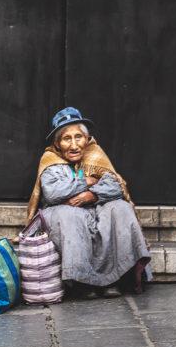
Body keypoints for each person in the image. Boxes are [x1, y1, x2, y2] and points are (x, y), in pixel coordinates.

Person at [26, 107, 151, 298]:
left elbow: (115, 187)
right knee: (71, 215)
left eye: (79, 137)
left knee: (120, 208)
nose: (74, 145)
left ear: (87, 139)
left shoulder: (96, 156)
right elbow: (52, 193)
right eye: (67, 138)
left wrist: (90, 195)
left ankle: (116, 279)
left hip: (95, 205)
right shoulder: (49, 159)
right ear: (58, 143)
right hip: (63, 211)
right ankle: (81, 283)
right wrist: (87, 181)